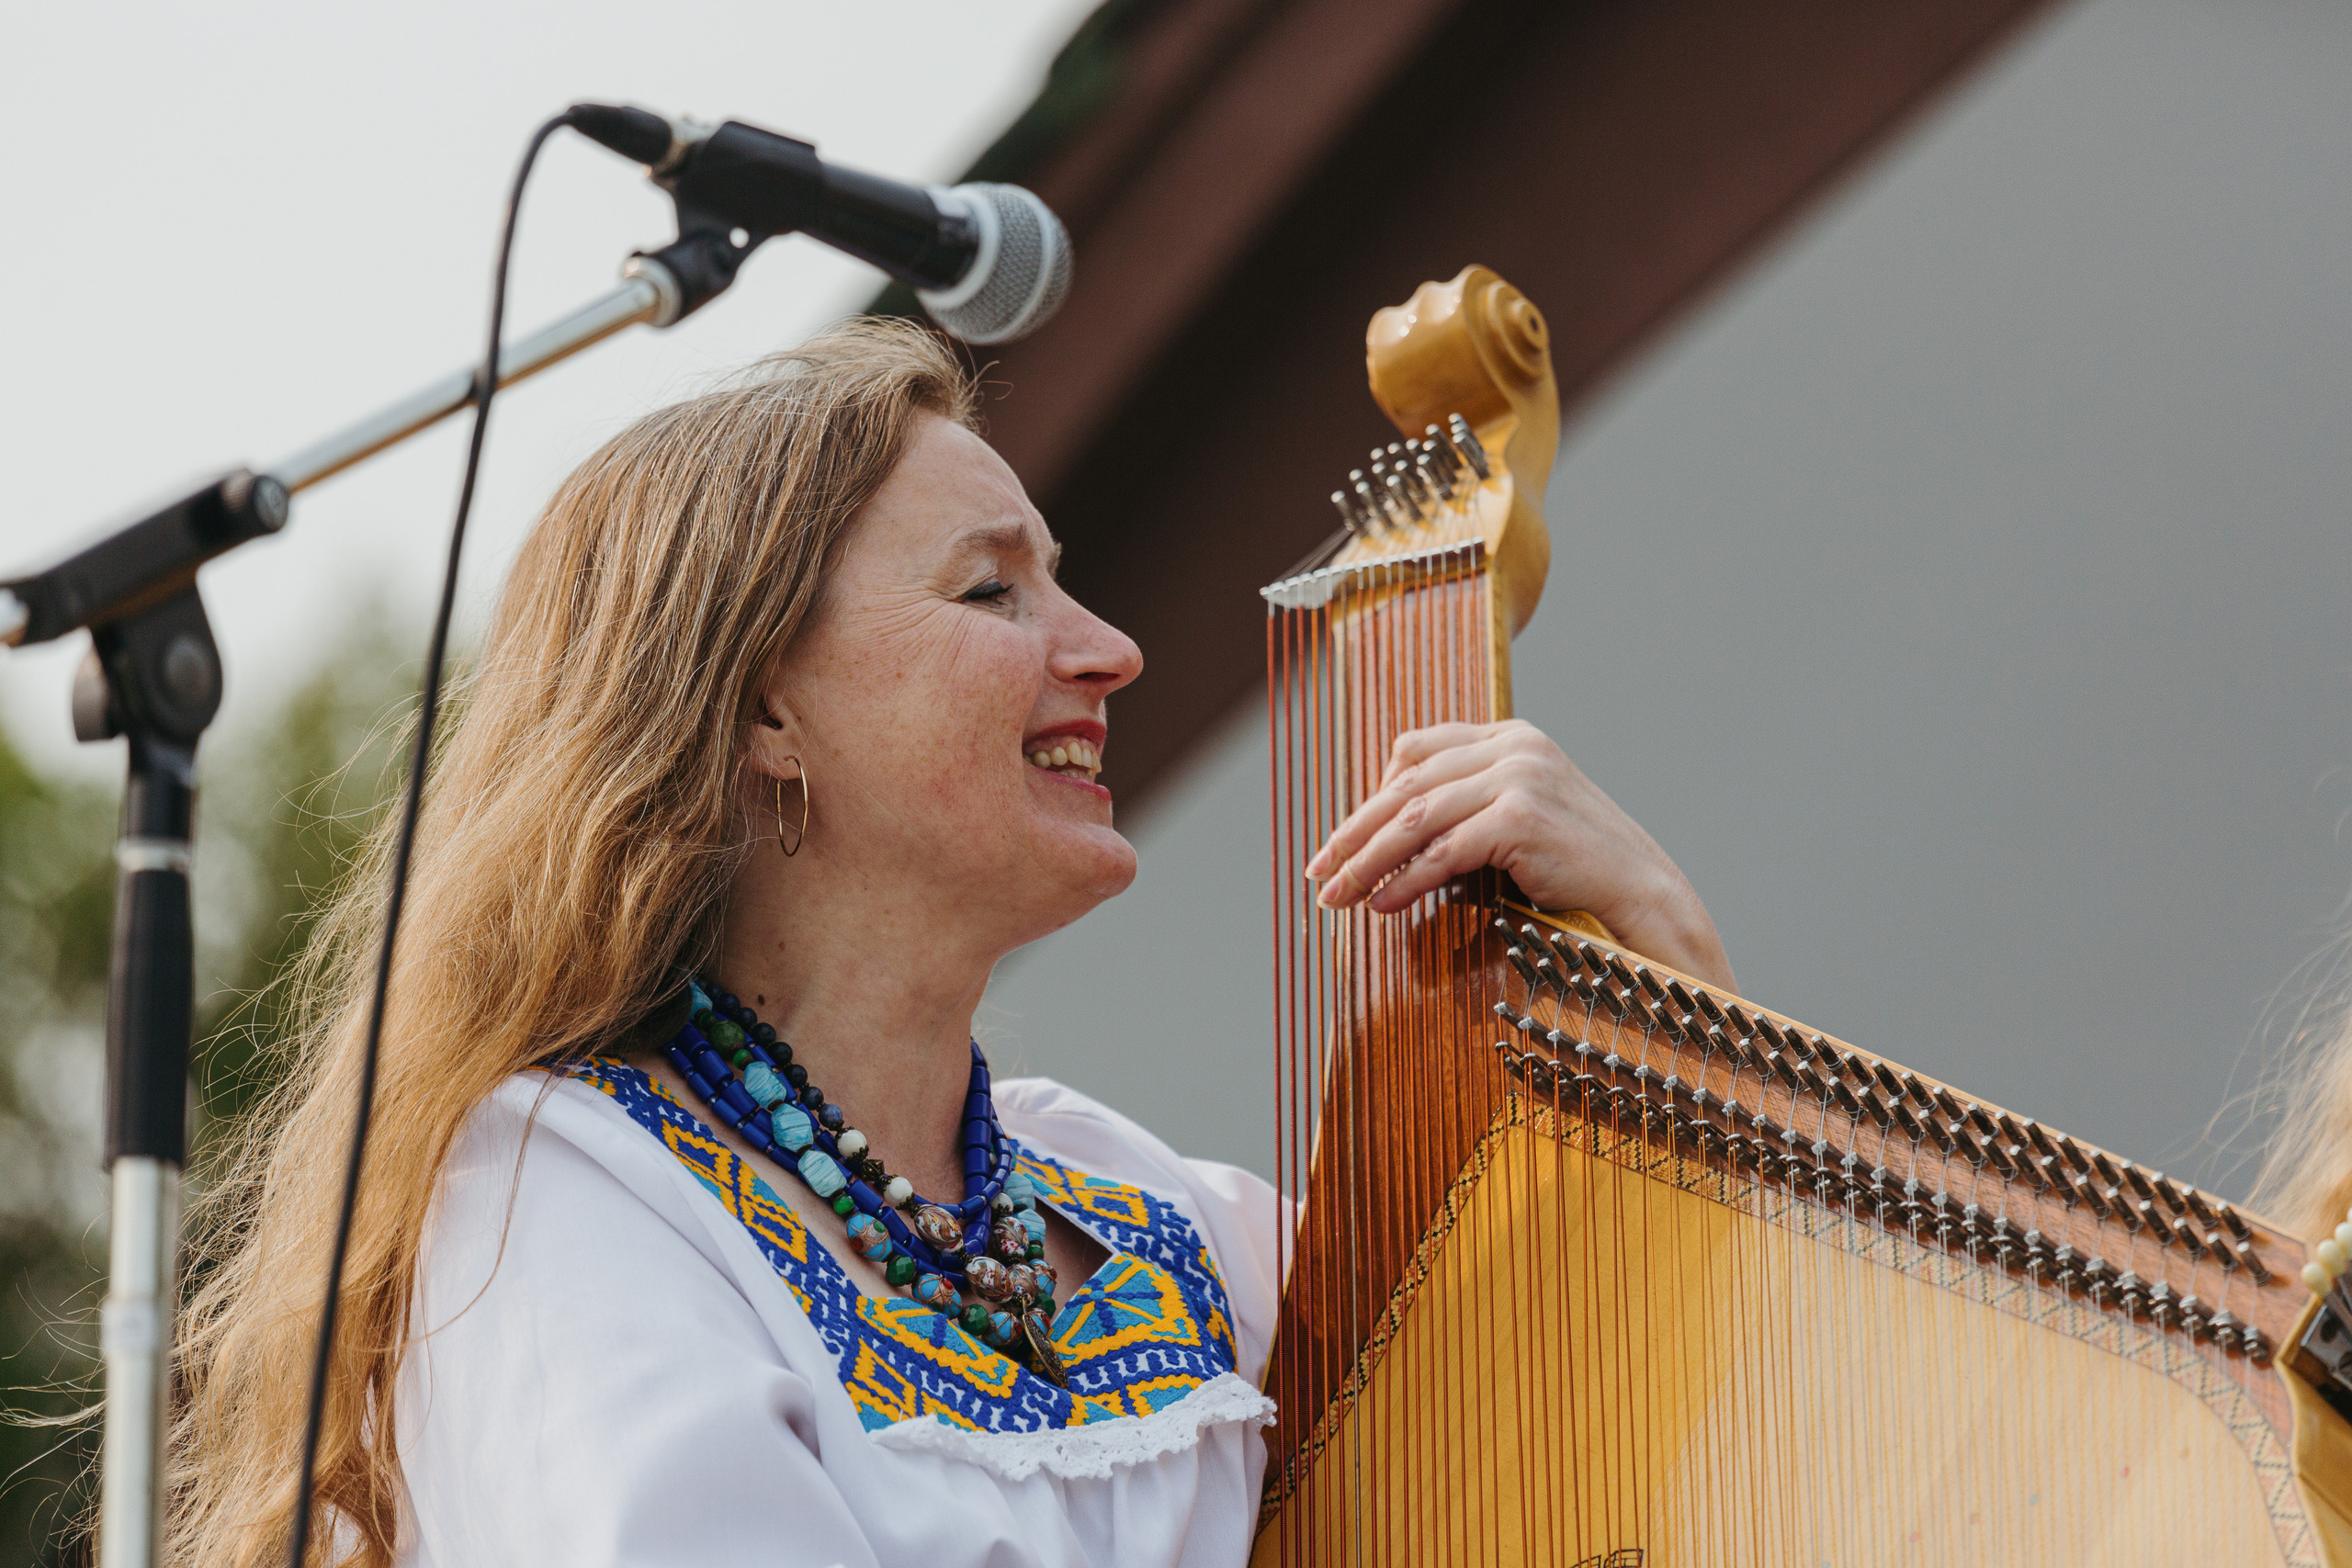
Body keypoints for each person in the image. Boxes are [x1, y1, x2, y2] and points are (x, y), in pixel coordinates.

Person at [167, 321, 1734, 1568]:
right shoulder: (560, 1194)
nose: (1108, 649)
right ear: (765, 709)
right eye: (993, 589)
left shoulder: (1157, 1220)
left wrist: (1660, 957)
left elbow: (1603, 1426)